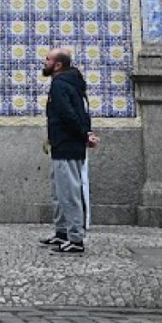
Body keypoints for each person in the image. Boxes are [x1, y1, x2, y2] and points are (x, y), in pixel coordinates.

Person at [39, 47, 93, 255]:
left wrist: (83, 134)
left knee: (69, 193)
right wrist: (85, 133)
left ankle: (76, 239)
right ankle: (62, 232)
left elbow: (68, 114)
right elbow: (80, 111)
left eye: (48, 59)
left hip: (67, 145)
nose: (45, 62)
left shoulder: (60, 84)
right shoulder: (72, 83)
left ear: (58, 65)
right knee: (60, 192)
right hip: (63, 144)